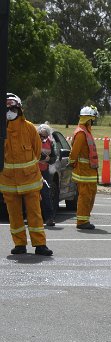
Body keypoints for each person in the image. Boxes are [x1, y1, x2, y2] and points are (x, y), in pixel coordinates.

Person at [1, 93, 53, 255]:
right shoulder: (2, 130)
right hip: (8, 182)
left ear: (19, 108)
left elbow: (37, 151)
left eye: (13, 107)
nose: (10, 111)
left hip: (30, 179)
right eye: (7, 108)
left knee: (34, 213)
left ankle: (40, 245)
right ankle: (19, 244)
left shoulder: (29, 127)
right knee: (14, 215)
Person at [69, 105, 101, 231]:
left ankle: (85, 219)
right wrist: (72, 163)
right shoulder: (81, 133)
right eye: (92, 119)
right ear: (88, 119)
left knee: (90, 195)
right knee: (85, 196)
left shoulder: (86, 131)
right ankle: (82, 221)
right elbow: (75, 152)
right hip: (84, 172)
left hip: (89, 171)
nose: (93, 122)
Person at [37, 123, 57, 226]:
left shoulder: (50, 142)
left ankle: (50, 218)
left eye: (45, 136)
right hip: (33, 171)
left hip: (45, 172)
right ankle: (31, 217)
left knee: (46, 194)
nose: (42, 138)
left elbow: (54, 158)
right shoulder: (33, 141)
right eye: (41, 135)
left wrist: (49, 159)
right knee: (32, 195)